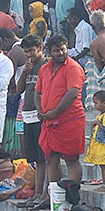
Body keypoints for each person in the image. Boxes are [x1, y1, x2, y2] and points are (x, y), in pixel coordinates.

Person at [38, 33, 86, 187]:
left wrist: (54, 112)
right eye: (56, 51)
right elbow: (38, 92)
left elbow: (72, 93)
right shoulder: (45, 69)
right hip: (49, 122)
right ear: (49, 52)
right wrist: (41, 111)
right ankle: (53, 196)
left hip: (70, 120)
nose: (60, 53)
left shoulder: (73, 67)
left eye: (63, 49)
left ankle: (72, 194)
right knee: (51, 159)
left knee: (71, 159)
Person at [84, 90, 105, 188]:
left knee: (104, 165)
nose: (95, 105)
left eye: (96, 103)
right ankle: (104, 183)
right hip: (99, 143)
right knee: (101, 165)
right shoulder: (100, 115)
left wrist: (97, 123)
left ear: (104, 103)